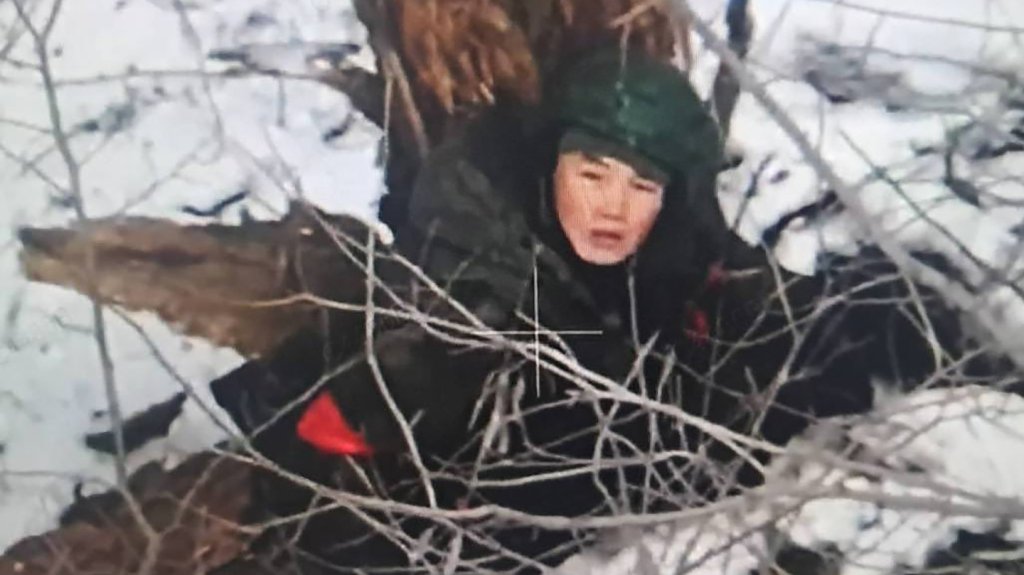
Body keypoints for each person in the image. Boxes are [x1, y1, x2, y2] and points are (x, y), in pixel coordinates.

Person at [211, 46, 992, 572]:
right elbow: (331, 483)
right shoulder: (469, 305)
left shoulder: (677, 246)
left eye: (641, 185)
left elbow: (781, 311)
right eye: (592, 174)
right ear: (550, 165)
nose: (613, 207)